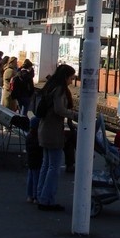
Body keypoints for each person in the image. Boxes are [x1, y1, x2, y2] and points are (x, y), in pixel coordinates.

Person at [36, 64, 76, 211]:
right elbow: (59, 109)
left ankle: (41, 195)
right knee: (54, 167)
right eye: (71, 78)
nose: (72, 81)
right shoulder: (59, 89)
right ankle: (47, 200)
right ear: (65, 77)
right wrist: (74, 115)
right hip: (52, 131)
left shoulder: (50, 86)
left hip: (44, 128)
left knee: (46, 165)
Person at [25, 116, 42, 203]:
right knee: (36, 179)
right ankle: (36, 196)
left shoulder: (29, 137)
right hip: (37, 160)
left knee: (30, 178)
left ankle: (29, 195)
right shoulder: (38, 138)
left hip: (30, 160)